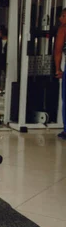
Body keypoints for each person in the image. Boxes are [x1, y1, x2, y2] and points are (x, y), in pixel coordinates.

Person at [53, 9, 66, 140]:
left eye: (63, 16)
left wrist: (58, 69)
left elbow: (58, 50)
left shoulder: (63, 29)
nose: (60, 19)